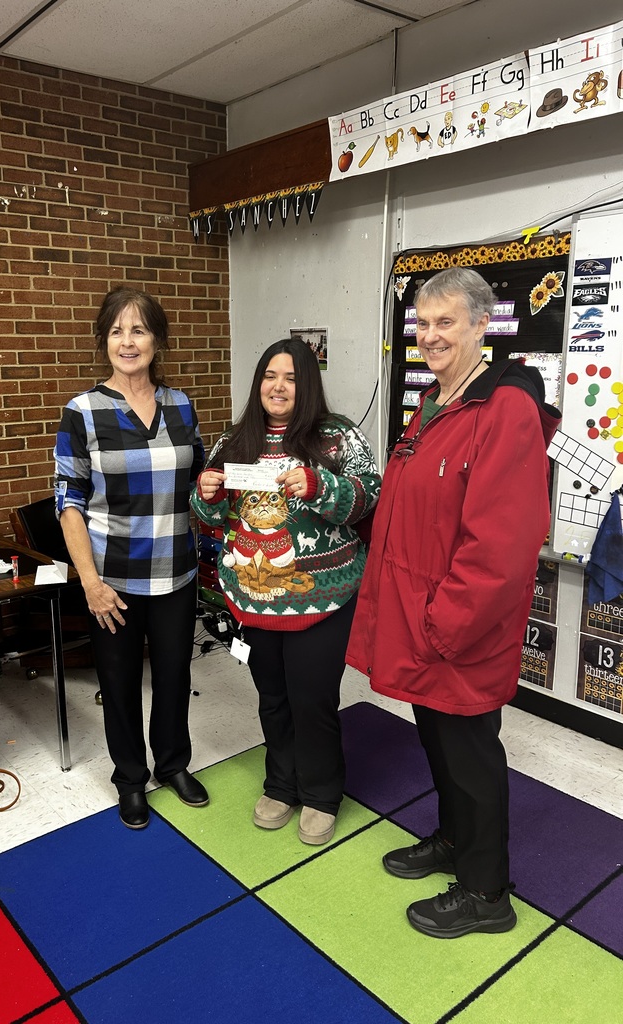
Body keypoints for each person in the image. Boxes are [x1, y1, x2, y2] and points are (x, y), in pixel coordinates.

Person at [346, 267, 561, 938]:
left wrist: (444, 625)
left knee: (471, 756)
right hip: (420, 621)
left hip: (457, 631)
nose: (432, 335)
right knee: (439, 746)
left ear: (479, 326)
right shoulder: (436, 401)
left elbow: (502, 543)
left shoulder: (505, 410)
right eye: (424, 323)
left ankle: (486, 892)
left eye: (447, 323)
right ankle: (452, 840)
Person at [192, 338, 381, 845]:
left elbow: (372, 498)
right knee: (273, 698)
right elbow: (214, 517)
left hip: (326, 598)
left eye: (291, 378)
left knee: (312, 699)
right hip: (253, 599)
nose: (278, 386)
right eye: (270, 376)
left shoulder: (337, 437)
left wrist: (321, 486)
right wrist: (205, 495)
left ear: (308, 385)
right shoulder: (235, 442)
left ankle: (321, 794)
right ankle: (281, 783)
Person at [54, 286, 208, 830]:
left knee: (173, 675)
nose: (128, 341)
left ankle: (173, 765)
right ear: (103, 342)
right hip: (112, 578)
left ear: (158, 340)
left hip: (177, 571)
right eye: (117, 330)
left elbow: (197, 486)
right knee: (118, 683)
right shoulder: (83, 413)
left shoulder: (182, 404)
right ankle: (130, 778)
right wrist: (90, 582)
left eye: (139, 329)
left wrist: (215, 492)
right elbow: (69, 505)